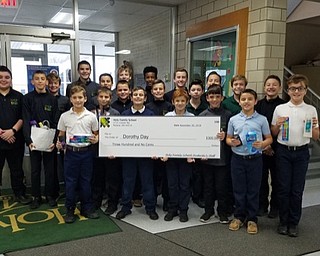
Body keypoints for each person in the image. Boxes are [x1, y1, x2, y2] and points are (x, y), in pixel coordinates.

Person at [271, 74, 319, 237]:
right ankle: (283, 222)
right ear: (287, 90)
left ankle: (293, 223)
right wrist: (277, 125)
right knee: (283, 188)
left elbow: (316, 135)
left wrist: (313, 127)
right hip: (283, 151)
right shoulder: (281, 109)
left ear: (305, 90)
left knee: (297, 190)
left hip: (301, 152)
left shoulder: (311, 110)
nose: (296, 91)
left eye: (300, 88)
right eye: (293, 88)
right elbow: (273, 132)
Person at [226, 88, 272, 234]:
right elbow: (228, 138)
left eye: (250, 99)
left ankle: (252, 219)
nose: (246, 102)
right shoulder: (233, 119)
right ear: (239, 102)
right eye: (243, 99)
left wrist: (263, 144)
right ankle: (239, 217)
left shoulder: (262, 119)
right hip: (237, 159)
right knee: (239, 189)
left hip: (255, 159)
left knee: (253, 190)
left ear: (255, 102)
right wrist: (231, 142)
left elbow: (269, 138)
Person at [56, 85, 100, 223]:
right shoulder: (65, 116)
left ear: (85, 99)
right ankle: (70, 209)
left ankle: (86, 208)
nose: (78, 100)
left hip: (86, 153)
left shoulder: (91, 116)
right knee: (70, 182)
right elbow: (61, 135)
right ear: (70, 99)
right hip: (70, 153)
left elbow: (96, 134)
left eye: (80, 97)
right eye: (74, 97)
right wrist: (60, 144)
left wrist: (96, 139)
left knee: (86, 182)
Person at [115, 86, 159, 220]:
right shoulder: (124, 115)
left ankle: (150, 208)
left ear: (145, 98)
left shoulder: (151, 114)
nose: (138, 97)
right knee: (128, 181)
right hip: (129, 156)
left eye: (141, 95)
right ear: (131, 97)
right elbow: (119, 135)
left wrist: (155, 150)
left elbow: (155, 135)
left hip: (146, 155)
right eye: (135, 95)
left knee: (147, 182)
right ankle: (125, 207)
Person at [22, 70, 60, 209]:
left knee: (50, 169)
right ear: (32, 82)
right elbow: (25, 120)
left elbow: (56, 122)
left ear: (46, 82)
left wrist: (54, 141)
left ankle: (50, 195)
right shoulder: (27, 98)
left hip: (49, 141)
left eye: (42, 79)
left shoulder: (52, 99)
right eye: (37, 79)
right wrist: (28, 141)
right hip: (34, 140)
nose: (39, 81)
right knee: (35, 169)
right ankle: (36, 196)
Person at [199, 85, 232, 224]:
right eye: (211, 97)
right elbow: (198, 138)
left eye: (217, 96)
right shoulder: (202, 116)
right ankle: (208, 210)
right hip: (207, 160)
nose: (214, 99)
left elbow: (232, 136)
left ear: (222, 98)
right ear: (207, 98)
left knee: (222, 187)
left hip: (222, 159)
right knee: (208, 187)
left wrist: (226, 136)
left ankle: (222, 212)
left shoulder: (228, 115)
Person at [0, 65, 31, 204]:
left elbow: (23, 117)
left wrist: (12, 131)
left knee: (17, 170)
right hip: (0, 139)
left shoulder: (19, 96)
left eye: (7, 77)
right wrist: (1, 133)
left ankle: (20, 194)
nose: (4, 80)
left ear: (11, 80)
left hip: (14, 140)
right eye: (0, 77)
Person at [255, 75, 285, 218]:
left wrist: (271, 145)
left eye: (274, 85)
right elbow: (255, 126)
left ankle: (275, 207)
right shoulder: (258, 105)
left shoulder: (284, 106)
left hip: (278, 149)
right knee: (261, 179)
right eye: (268, 85)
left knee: (277, 180)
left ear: (279, 87)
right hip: (261, 147)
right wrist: (265, 145)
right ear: (264, 87)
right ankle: (262, 206)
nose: (271, 87)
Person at [162, 89, 194, 222]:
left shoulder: (192, 118)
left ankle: (183, 209)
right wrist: (163, 153)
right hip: (171, 158)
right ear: (173, 102)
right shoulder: (167, 117)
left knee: (184, 185)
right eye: (177, 101)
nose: (180, 103)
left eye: (182, 101)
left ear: (187, 102)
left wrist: (192, 154)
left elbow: (194, 139)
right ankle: (172, 208)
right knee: (172, 184)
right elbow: (162, 138)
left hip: (186, 158)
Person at [91, 87, 122, 215]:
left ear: (110, 98)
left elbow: (118, 133)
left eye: (106, 97)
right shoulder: (91, 113)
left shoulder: (115, 113)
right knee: (97, 178)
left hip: (110, 152)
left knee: (112, 179)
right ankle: (96, 201)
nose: (103, 99)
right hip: (95, 151)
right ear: (97, 98)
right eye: (101, 97)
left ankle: (112, 203)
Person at [146, 79, 173, 211]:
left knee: (166, 175)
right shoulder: (148, 107)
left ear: (164, 90)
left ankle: (167, 201)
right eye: (155, 89)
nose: (158, 91)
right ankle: (153, 199)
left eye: (160, 89)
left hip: (166, 144)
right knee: (153, 175)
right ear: (152, 91)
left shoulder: (169, 106)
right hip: (151, 145)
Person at [186, 79, 207, 208]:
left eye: (198, 90)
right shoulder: (184, 105)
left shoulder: (206, 107)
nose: (196, 92)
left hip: (200, 144)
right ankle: (186, 195)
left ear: (202, 92)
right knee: (187, 173)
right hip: (186, 144)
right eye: (193, 90)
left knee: (199, 173)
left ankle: (198, 196)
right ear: (189, 92)